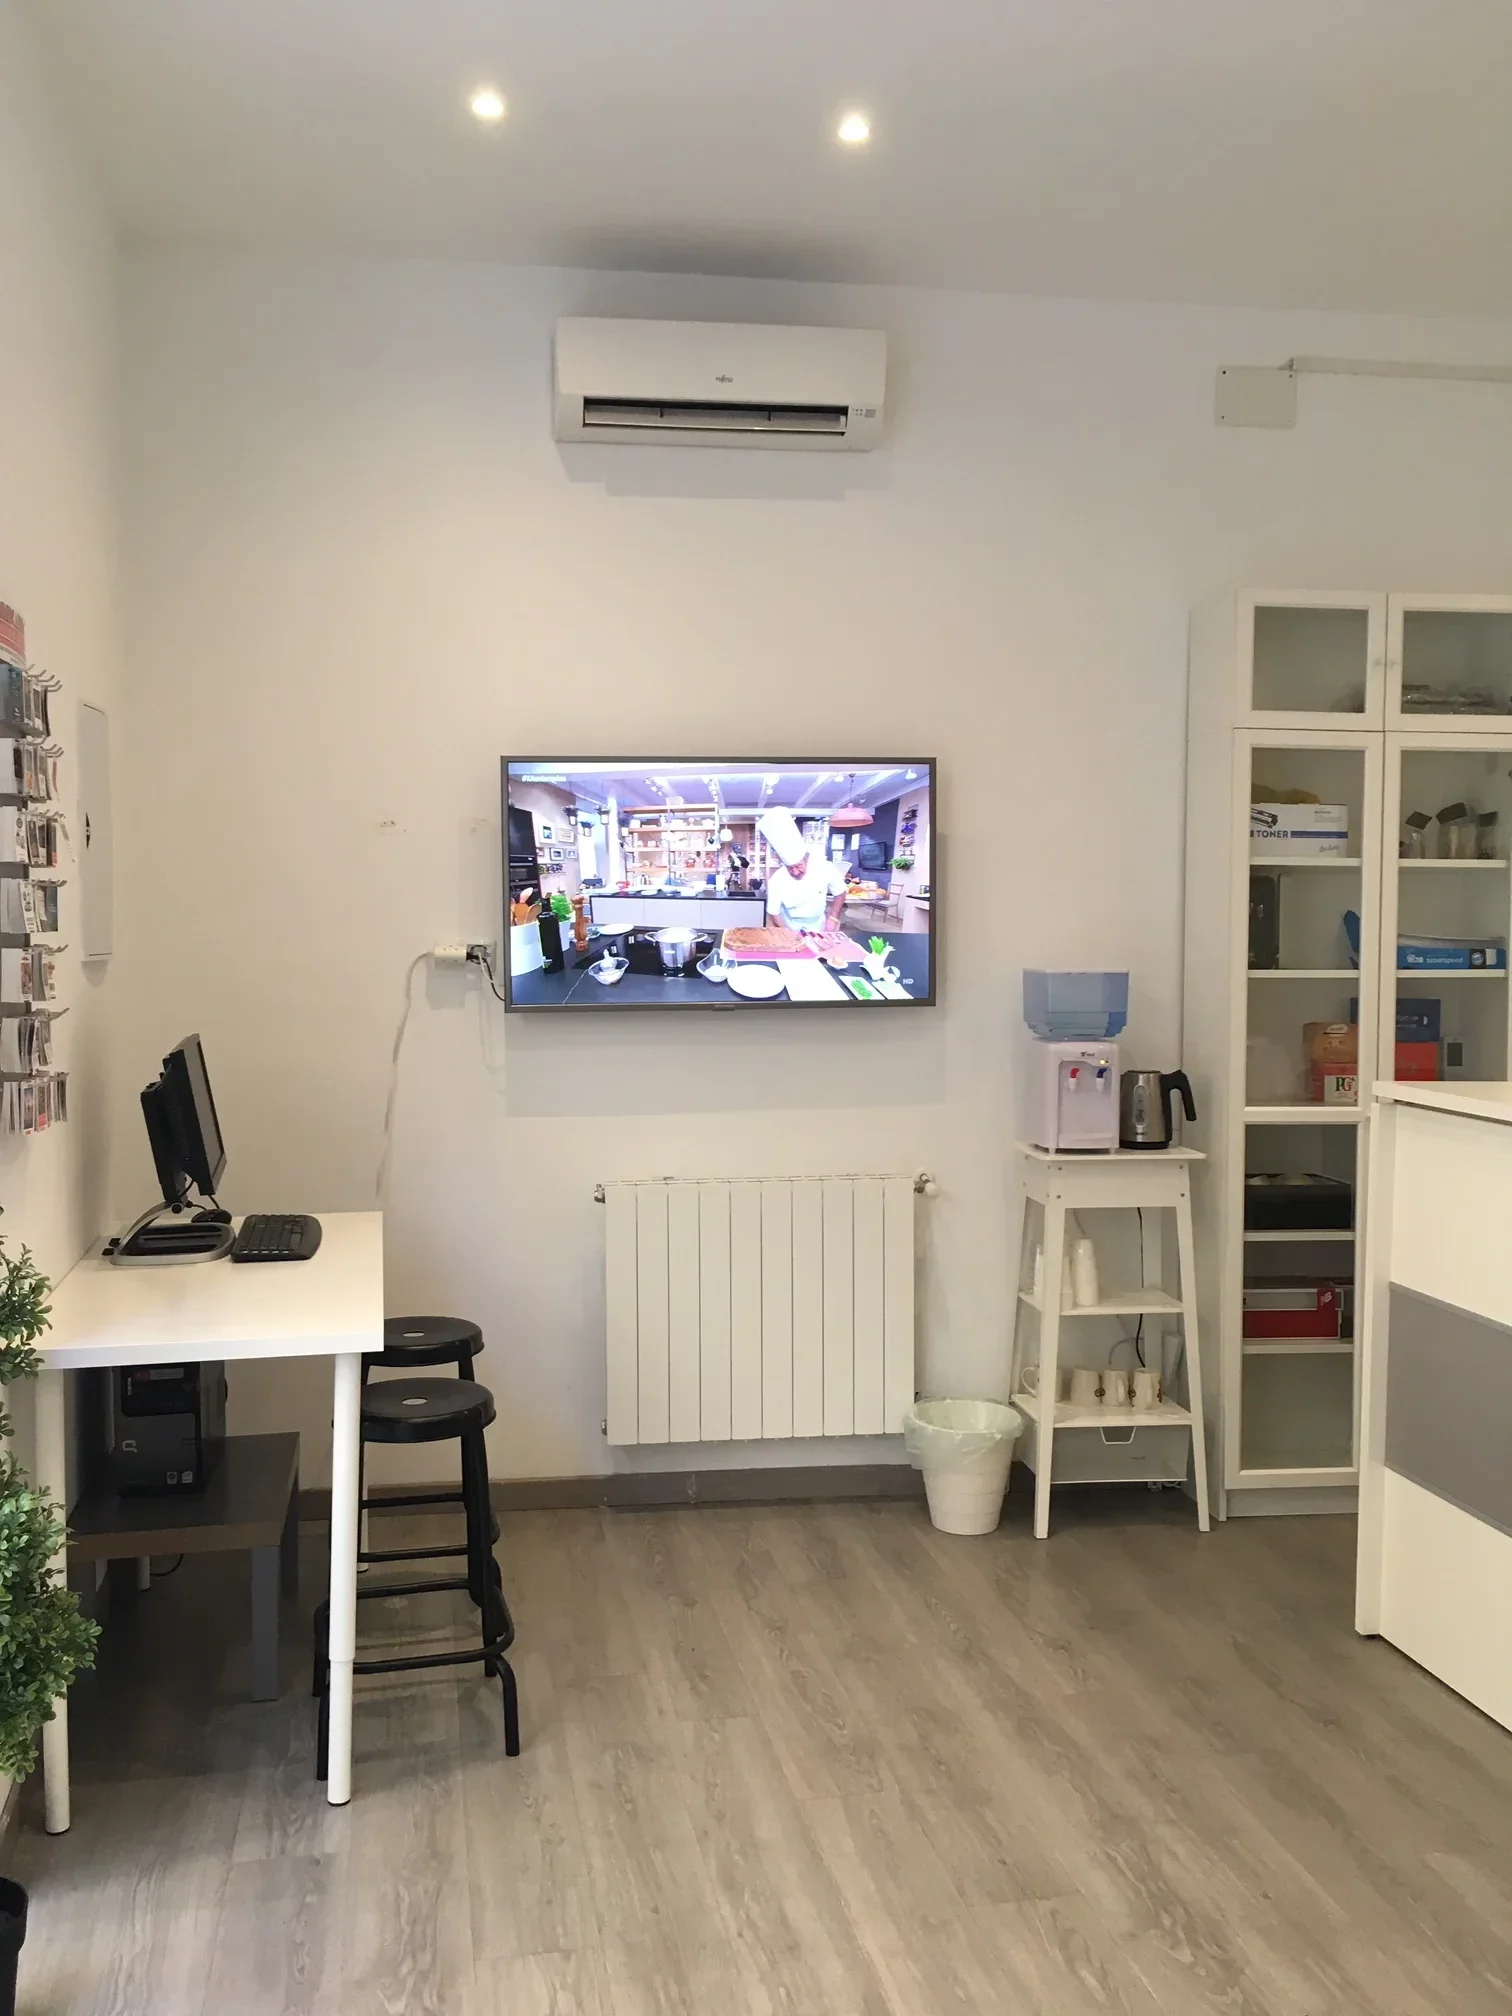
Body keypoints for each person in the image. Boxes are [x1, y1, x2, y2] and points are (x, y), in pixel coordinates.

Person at [758, 810, 847, 934]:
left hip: (819, 924)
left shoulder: (824, 867)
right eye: (790, 868)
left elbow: (840, 891)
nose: (795, 872)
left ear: (806, 859)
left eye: (798, 866)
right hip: (790, 924)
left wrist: (833, 918)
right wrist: (787, 933)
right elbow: (774, 912)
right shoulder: (776, 880)